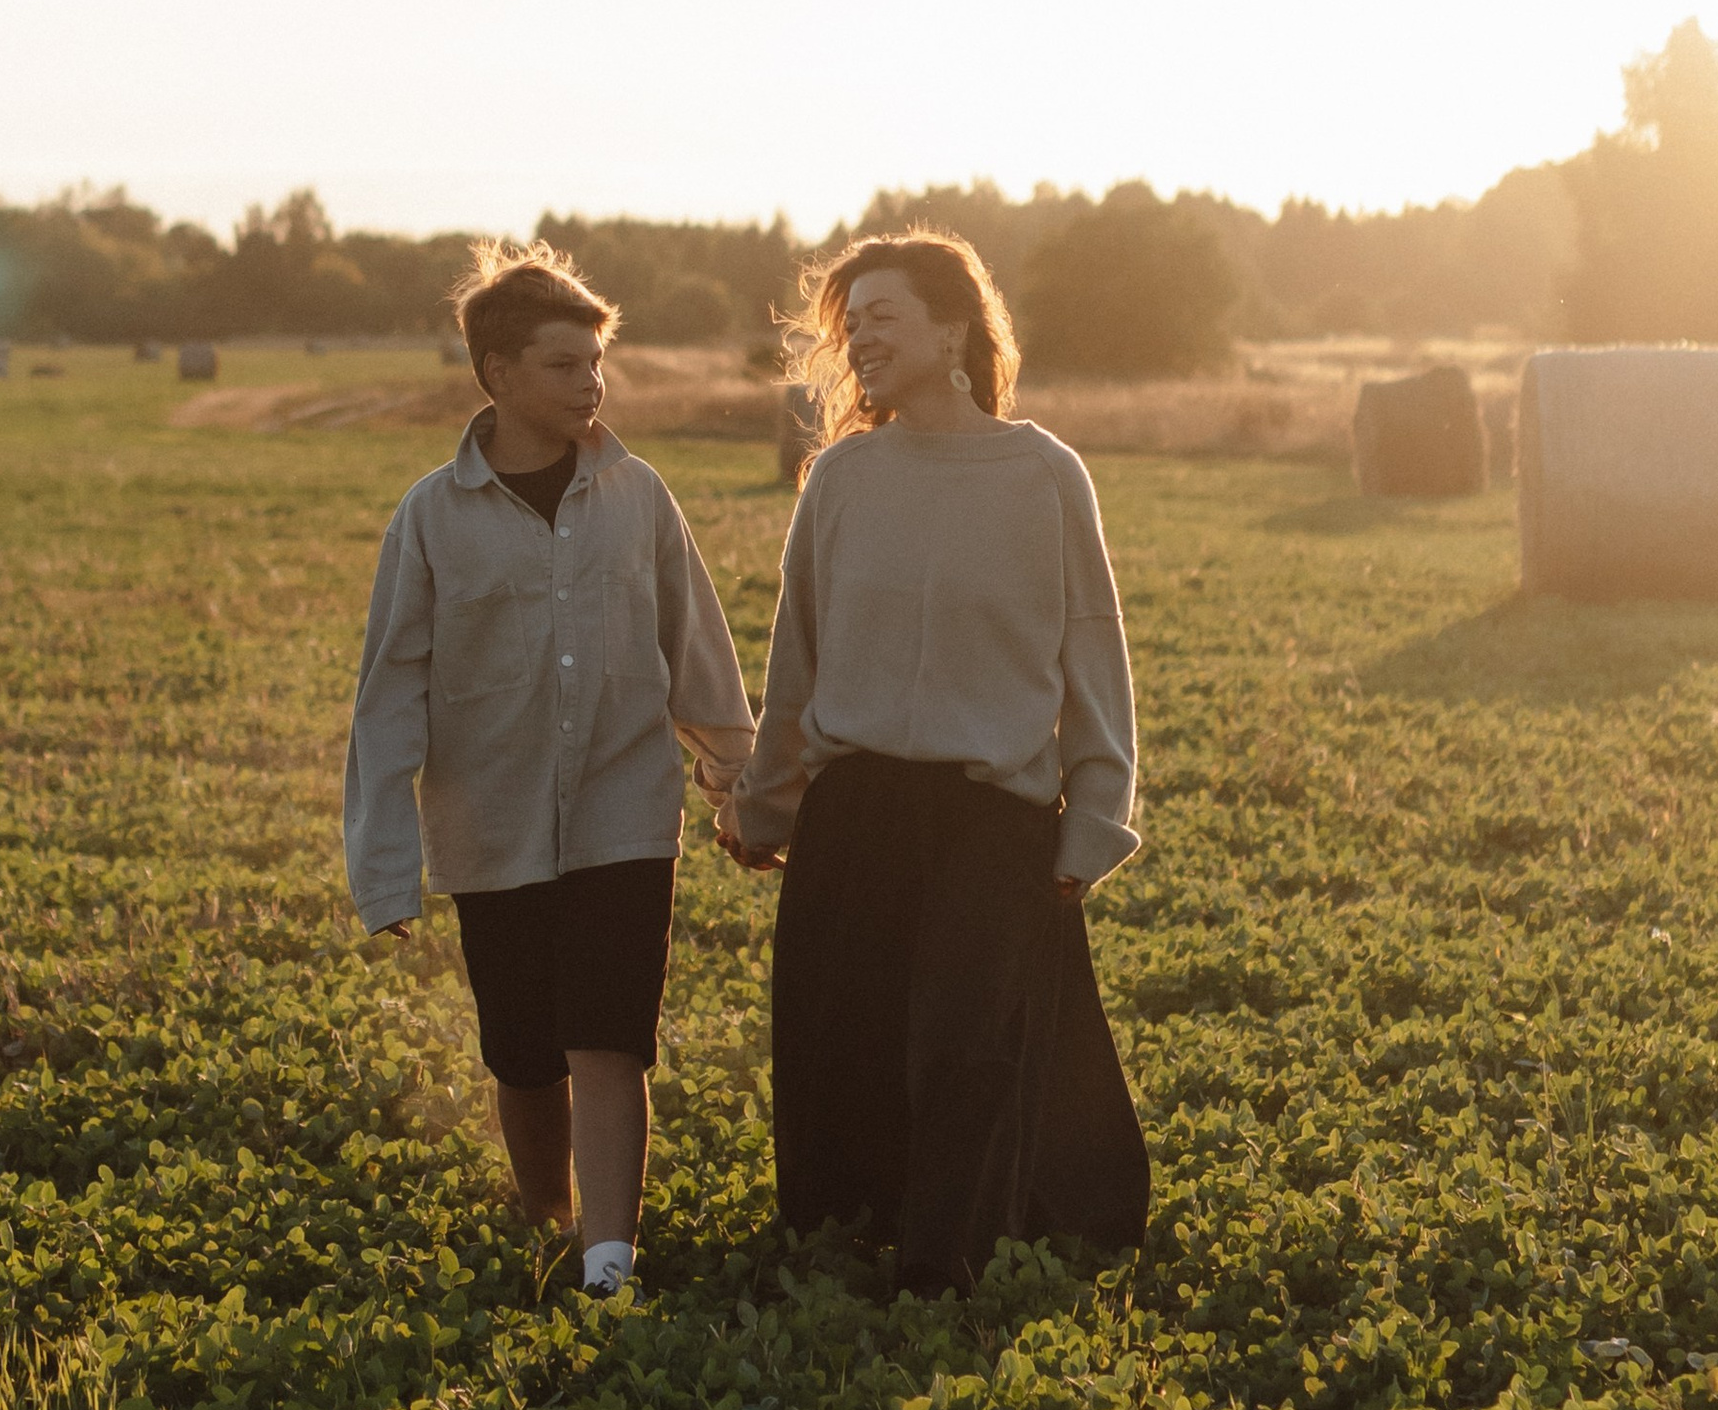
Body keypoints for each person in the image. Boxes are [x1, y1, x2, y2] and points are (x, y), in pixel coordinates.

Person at [719, 226, 1149, 1293]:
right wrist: (763, 811)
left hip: (991, 813)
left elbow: (1093, 655)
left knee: (966, 1048)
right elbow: (798, 668)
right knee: (844, 1042)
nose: (858, 338)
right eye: (847, 322)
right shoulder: (842, 479)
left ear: (952, 326)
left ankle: (939, 1270)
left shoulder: (1046, 474)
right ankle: (843, 1240)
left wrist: (1094, 820)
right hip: (855, 809)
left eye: (882, 316)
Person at [343, 243, 755, 1295]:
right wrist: (385, 868)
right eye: (565, 364)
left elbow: (695, 647)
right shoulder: (430, 518)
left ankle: (608, 1262)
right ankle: (548, 1223)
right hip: (492, 827)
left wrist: (739, 778)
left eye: (597, 362)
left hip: (625, 812)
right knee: (523, 1055)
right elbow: (390, 699)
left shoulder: (639, 496)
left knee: (610, 1040)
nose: (592, 384)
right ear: (497, 374)